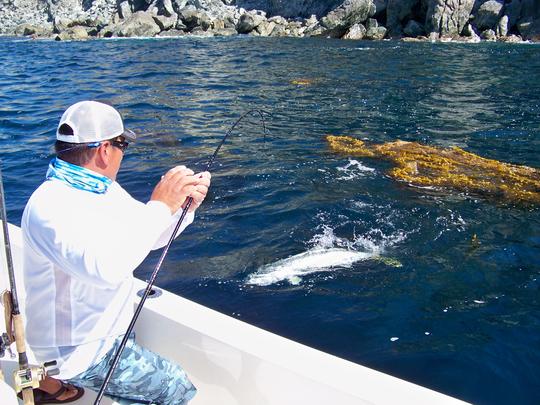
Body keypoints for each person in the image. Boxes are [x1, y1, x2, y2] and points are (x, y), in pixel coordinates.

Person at [21, 100, 210, 404]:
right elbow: (106, 269)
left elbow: (146, 236)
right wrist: (160, 204)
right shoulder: (50, 206)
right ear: (105, 150)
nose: (123, 153)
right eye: (123, 145)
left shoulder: (102, 190)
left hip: (106, 330)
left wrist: (183, 208)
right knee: (176, 387)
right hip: (78, 350)